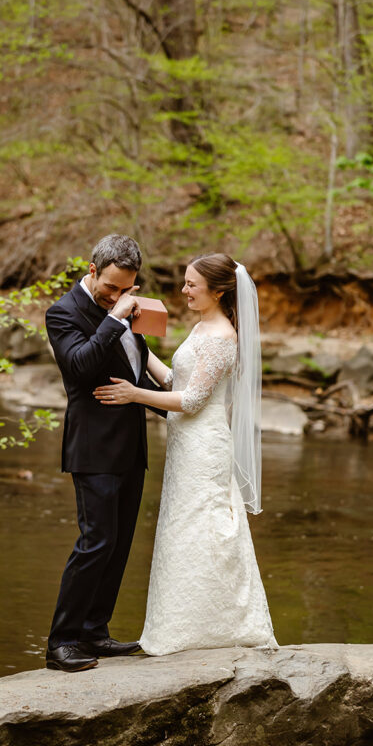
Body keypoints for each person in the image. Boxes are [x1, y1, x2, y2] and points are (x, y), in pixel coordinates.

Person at [94, 253, 277, 655]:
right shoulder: (202, 328)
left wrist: (133, 394)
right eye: (185, 282)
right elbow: (178, 380)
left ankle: (217, 626)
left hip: (204, 445)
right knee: (183, 528)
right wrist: (136, 343)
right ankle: (182, 627)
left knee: (203, 527)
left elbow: (193, 400)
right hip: (185, 444)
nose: (184, 290)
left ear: (219, 291)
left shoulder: (222, 337)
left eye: (192, 284)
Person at [45, 234, 164, 672]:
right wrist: (114, 317)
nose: (117, 295)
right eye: (111, 286)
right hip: (93, 448)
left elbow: (131, 376)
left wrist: (182, 410)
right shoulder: (62, 313)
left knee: (118, 545)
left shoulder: (130, 312)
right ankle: (61, 642)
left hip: (132, 446)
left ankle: (95, 631)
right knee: (94, 543)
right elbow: (79, 367)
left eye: (126, 288)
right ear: (92, 270)